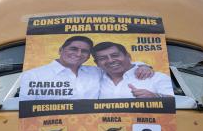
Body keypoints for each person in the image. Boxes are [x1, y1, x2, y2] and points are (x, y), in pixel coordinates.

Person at [19, 36, 154, 101]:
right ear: (60, 50)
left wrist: (143, 66)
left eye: (84, 51)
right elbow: (25, 110)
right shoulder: (33, 76)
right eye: (73, 49)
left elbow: (120, 65)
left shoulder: (95, 72)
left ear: (89, 56)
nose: (78, 54)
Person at [92, 42, 174, 99]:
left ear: (128, 56)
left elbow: (175, 101)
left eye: (115, 55)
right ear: (97, 63)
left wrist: (156, 97)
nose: (110, 60)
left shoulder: (155, 77)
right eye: (102, 58)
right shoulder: (94, 78)